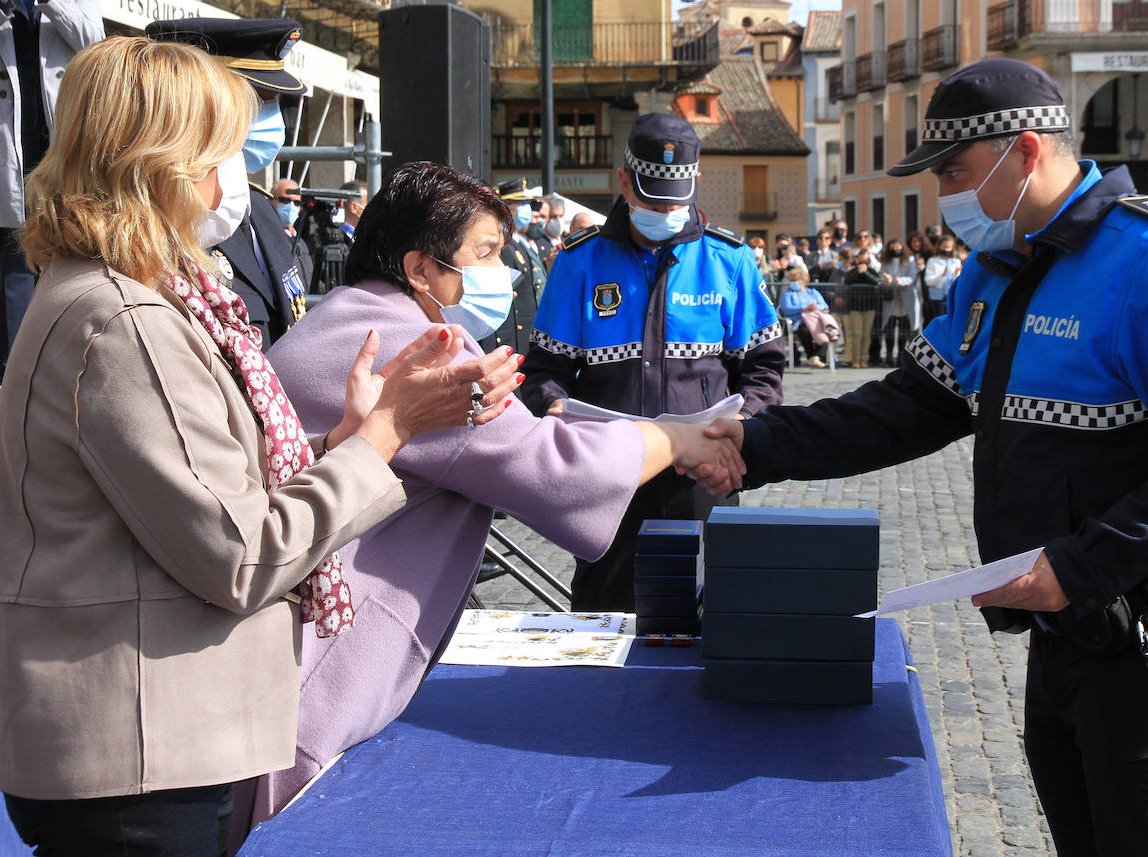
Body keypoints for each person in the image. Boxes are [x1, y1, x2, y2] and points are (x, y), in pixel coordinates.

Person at [693, 58, 1148, 857]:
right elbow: (907, 407)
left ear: (1025, 152)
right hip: (1071, 634)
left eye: (956, 172)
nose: (947, 196)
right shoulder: (999, 269)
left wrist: (1082, 565)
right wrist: (755, 443)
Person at [0, 37, 522, 855]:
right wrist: (387, 433)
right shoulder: (126, 321)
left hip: (152, 744)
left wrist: (342, 437)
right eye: (215, 156)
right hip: (143, 758)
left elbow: (203, 493)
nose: (224, 184)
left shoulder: (130, 302)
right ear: (158, 165)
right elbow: (242, 553)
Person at [254, 159, 745, 822]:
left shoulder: (341, 318)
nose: (502, 272)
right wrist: (679, 439)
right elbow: (559, 472)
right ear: (421, 268)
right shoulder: (422, 348)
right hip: (314, 687)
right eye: (484, 254)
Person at [521, 112, 785, 611]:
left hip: (704, 472)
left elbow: (764, 369)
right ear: (624, 180)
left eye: (674, 198)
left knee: (709, 614)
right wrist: (552, 405)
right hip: (610, 472)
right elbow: (543, 371)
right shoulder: (579, 261)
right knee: (606, 614)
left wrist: (744, 426)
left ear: (695, 183)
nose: (664, 209)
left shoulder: (730, 259)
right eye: (650, 196)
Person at [148, 18, 313, 349]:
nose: (270, 116)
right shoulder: (176, 221)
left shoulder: (261, 209)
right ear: (200, 105)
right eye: (255, 98)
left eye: (275, 100)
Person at [0, 0, 102, 380]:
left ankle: (69, 369)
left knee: (72, 256)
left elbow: (94, 39)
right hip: (3, 151)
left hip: (62, 144)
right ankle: (17, 375)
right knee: (15, 269)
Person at [481, 177, 543, 354]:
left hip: (522, 334)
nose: (527, 209)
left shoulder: (517, 243)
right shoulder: (502, 245)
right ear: (507, 207)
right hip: (508, 335)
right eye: (520, 203)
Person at [779, 265, 836, 368]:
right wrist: (804, 309)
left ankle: (815, 357)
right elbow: (786, 308)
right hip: (798, 322)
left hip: (815, 321)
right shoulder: (788, 294)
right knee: (805, 330)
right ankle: (813, 356)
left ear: (803, 280)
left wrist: (814, 308)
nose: (792, 282)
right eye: (791, 280)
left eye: (795, 280)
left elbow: (824, 305)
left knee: (825, 330)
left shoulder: (813, 292)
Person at [877, 238, 920, 366]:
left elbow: (912, 277)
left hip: (906, 297)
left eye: (898, 247)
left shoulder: (909, 260)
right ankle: (889, 355)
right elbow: (881, 275)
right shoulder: (886, 261)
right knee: (889, 328)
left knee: (904, 329)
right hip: (891, 298)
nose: (896, 249)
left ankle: (901, 356)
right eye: (893, 247)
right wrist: (887, 279)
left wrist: (900, 280)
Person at [839, 249, 880, 368]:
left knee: (866, 334)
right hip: (855, 306)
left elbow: (876, 281)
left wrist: (865, 273)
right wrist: (858, 272)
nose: (862, 263)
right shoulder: (852, 271)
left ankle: (863, 358)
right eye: (860, 260)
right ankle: (855, 359)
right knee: (857, 333)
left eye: (865, 261)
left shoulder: (872, 271)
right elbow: (847, 281)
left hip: (870, 306)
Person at [921, 234, 961, 323]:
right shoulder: (933, 261)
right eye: (944, 246)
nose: (946, 250)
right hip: (937, 298)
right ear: (939, 247)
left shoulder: (956, 261)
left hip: (952, 297)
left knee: (952, 321)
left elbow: (958, 281)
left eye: (949, 247)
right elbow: (928, 281)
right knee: (939, 321)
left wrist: (956, 274)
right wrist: (942, 275)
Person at [339, 179, 368, 243]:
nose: (371, 209)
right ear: (354, 207)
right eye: (368, 204)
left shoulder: (363, 235)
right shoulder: (339, 238)